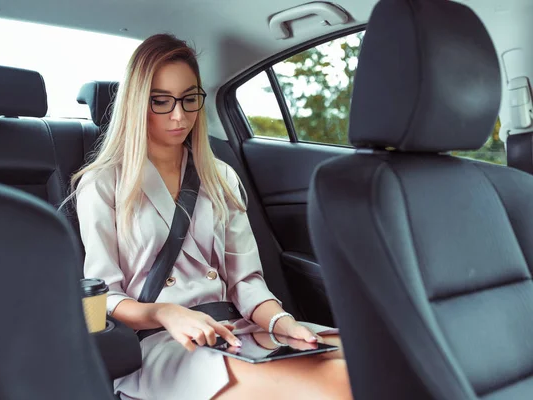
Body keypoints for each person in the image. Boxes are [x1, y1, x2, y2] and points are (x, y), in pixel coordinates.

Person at [71, 33, 352, 400]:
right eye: (161, 101)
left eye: (189, 99)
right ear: (137, 103)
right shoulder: (103, 182)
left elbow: (246, 281)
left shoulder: (220, 177)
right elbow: (104, 297)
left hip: (236, 328)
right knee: (333, 387)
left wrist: (282, 322)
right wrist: (164, 313)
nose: (179, 114)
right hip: (159, 344)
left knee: (367, 363)